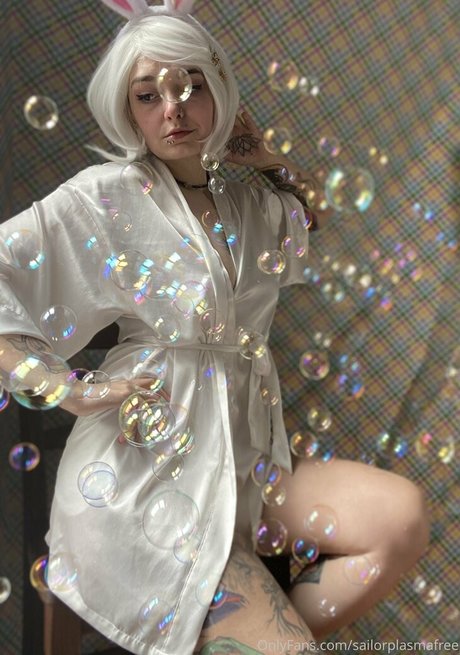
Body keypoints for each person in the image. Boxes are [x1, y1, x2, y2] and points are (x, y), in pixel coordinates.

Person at [0, 1, 430, 653]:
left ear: (219, 93)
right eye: (148, 95)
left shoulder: (246, 199)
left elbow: (309, 216)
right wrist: (74, 390)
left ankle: (258, 636)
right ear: (128, 110)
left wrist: (265, 156)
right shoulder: (109, 195)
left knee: (402, 518)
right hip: (147, 478)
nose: (173, 109)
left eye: (191, 87)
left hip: (245, 465)